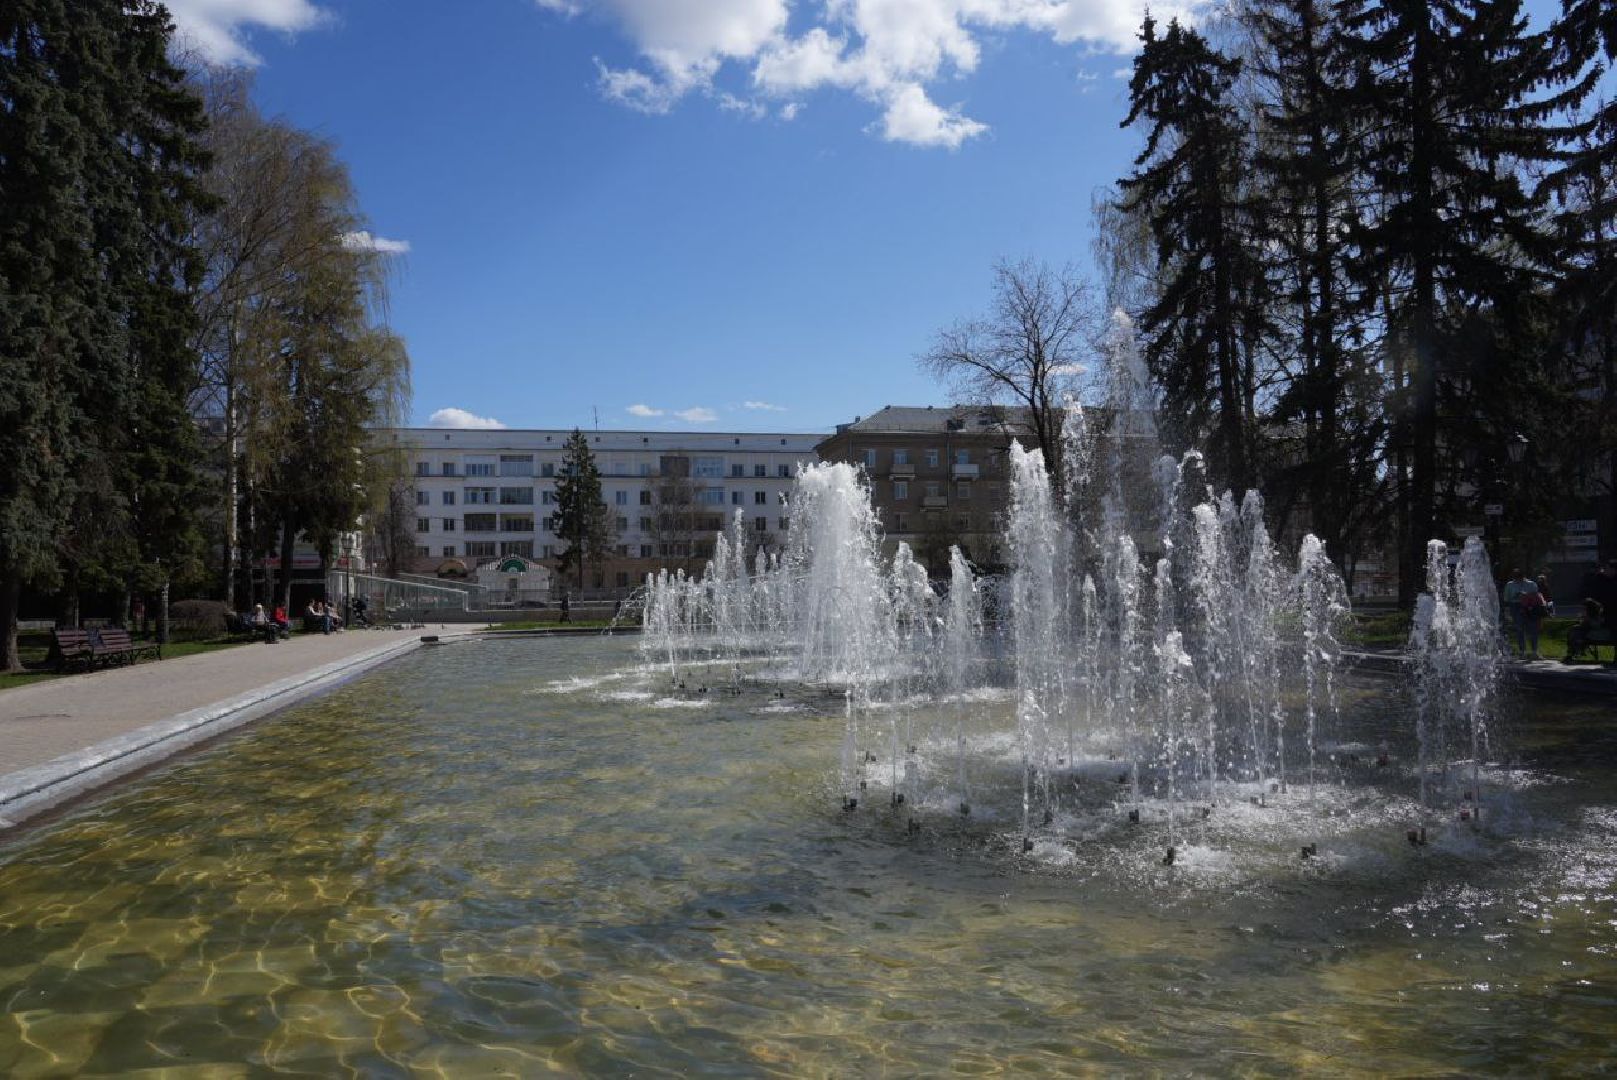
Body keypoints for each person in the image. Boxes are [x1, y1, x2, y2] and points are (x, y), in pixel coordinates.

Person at [1502, 569, 1541, 658]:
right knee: (1520, 630)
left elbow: (1537, 596)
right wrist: (1514, 598)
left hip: (1530, 607)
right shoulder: (1510, 585)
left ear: (1522, 576)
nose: (1517, 579)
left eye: (1518, 577)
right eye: (1515, 577)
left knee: (1532, 629)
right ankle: (1522, 651)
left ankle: (1534, 651)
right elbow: (1506, 599)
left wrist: (1526, 595)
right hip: (1515, 606)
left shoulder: (1531, 584)